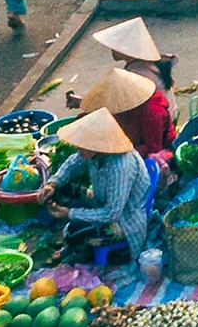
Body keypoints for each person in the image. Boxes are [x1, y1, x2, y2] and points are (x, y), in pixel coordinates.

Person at [45, 108, 151, 263]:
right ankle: (77, 241)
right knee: (62, 190)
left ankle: (79, 247)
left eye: (82, 146)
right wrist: (52, 183)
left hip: (123, 222)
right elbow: (72, 164)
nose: (78, 149)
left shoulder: (120, 165)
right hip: (100, 203)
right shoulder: (95, 153)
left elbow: (112, 213)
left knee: (74, 230)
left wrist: (69, 213)